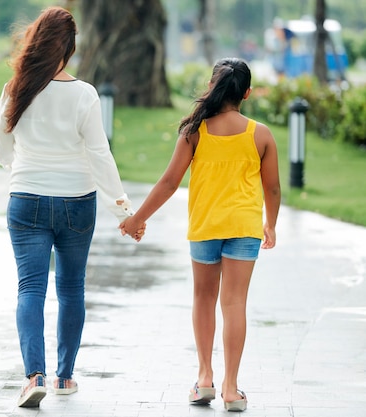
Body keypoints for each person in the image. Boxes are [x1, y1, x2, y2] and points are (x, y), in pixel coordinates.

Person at [0, 6, 143, 408]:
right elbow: (100, 156)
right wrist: (124, 212)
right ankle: (64, 377)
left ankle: (33, 376)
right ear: (71, 48)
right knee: (71, 287)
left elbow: (3, 149)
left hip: (26, 200)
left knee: (30, 288)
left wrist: (22, 172)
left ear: (35, 42)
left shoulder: (15, 89)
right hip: (77, 203)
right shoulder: (84, 94)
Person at [120, 57, 281, 412]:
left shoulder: (195, 131)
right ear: (247, 93)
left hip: (205, 227)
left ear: (212, 87)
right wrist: (270, 223)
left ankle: (205, 378)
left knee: (203, 299)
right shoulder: (261, 134)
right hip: (243, 228)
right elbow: (272, 189)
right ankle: (231, 389)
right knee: (234, 303)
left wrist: (137, 219)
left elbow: (168, 182)